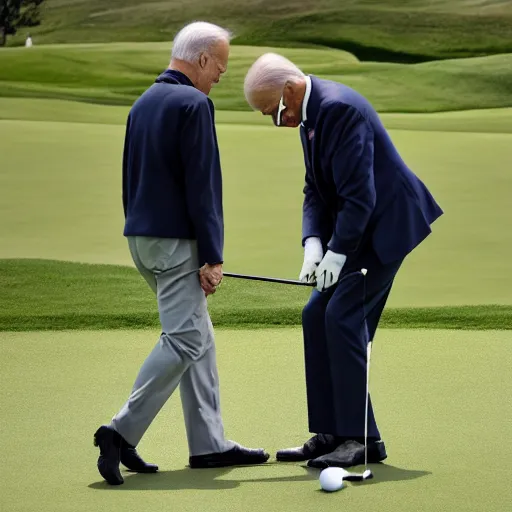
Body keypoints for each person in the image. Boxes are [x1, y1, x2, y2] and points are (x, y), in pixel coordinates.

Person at [243, 53, 443, 469]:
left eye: (274, 111)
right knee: (316, 315)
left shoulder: (339, 109)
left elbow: (361, 197)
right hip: (356, 232)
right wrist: (313, 243)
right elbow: (314, 187)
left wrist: (337, 252)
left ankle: (362, 438)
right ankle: (331, 431)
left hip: (385, 229)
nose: (276, 121)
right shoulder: (310, 114)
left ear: (290, 90)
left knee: (343, 318)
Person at [93, 22, 269, 486]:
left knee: (198, 333)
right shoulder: (194, 103)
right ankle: (120, 431)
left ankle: (209, 444)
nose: (220, 78)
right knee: (186, 339)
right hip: (176, 245)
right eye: (221, 69)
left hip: (142, 239)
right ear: (203, 59)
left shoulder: (143, 102)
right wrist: (213, 256)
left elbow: (133, 178)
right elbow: (203, 187)